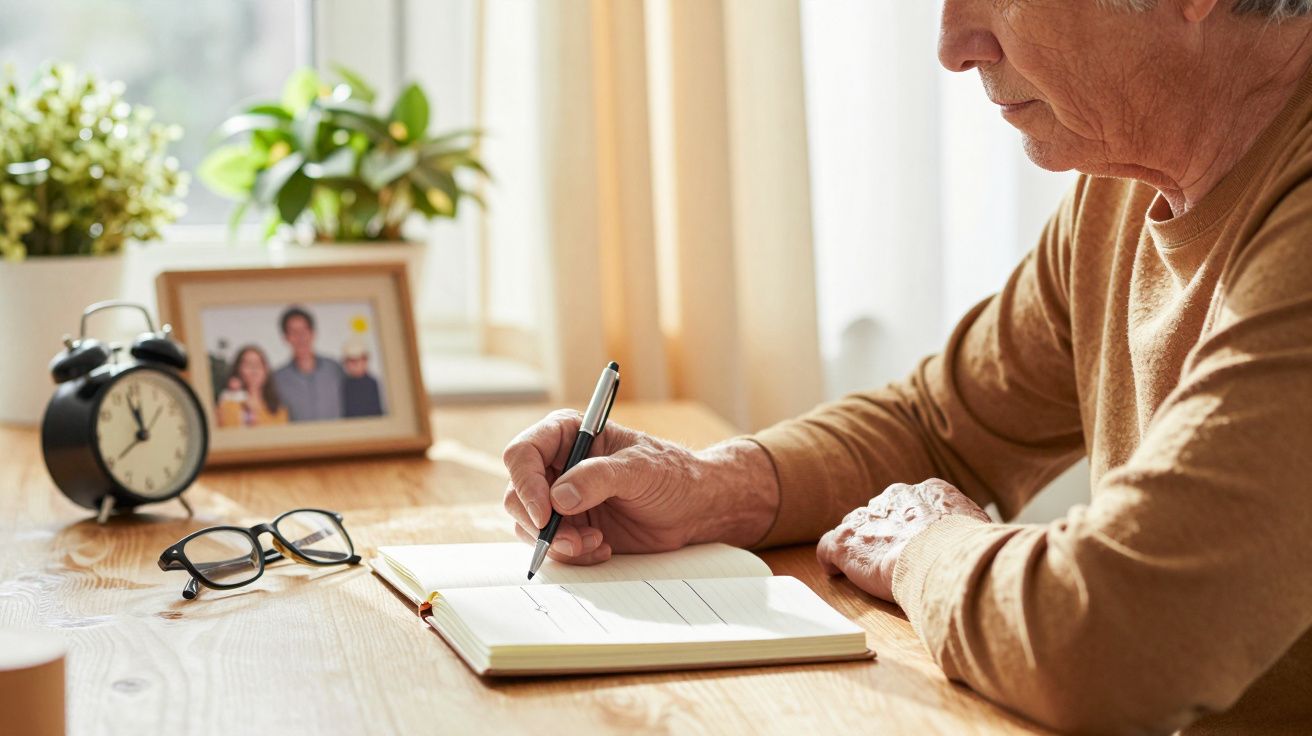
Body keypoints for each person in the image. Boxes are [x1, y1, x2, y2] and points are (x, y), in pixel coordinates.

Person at [501, 2, 1312, 733]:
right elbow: (941, 426)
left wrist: (928, 546)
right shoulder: (1124, 187)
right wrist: (710, 486)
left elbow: (1113, 639)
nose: (954, 46)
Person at [272, 306, 345, 422]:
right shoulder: (277, 379)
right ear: (285, 338)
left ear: (313, 333)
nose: (300, 337)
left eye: (304, 330)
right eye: (293, 332)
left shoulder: (335, 368)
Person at [215, 345, 289, 428]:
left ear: (266, 370)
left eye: (258, 364)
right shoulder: (227, 405)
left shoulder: (279, 410)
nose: (254, 369)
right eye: (248, 364)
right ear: (238, 370)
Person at [341, 335, 384, 418]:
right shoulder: (344, 385)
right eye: (350, 361)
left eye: (357, 360)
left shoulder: (373, 384)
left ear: (365, 360)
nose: (354, 365)